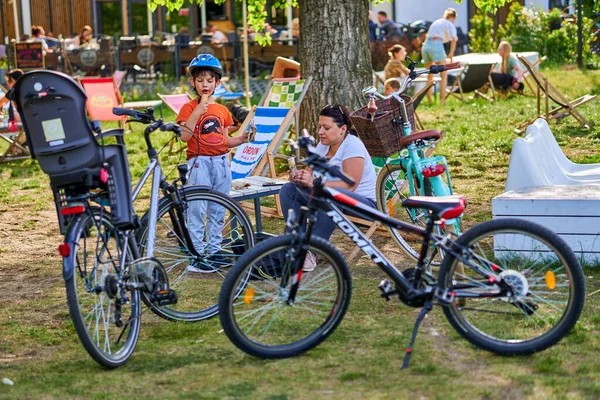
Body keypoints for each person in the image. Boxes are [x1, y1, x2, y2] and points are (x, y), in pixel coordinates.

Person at [280, 105, 377, 271]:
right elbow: (310, 174)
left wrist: (313, 183)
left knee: (329, 194)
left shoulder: (352, 145)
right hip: (335, 198)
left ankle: (311, 251)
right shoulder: (323, 145)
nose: (320, 132)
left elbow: (349, 185)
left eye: (326, 128)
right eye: (319, 127)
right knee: (288, 190)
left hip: (364, 205)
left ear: (343, 129)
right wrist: (300, 178)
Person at [176, 54, 248, 270]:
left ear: (217, 83)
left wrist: (241, 140)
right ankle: (197, 256)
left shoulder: (223, 111)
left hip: (221, 162)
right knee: (197, 208)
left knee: (218, 208)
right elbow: (184, 136)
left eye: (210, 81)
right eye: (200, 80)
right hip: (199, 163)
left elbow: (225, 141)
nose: (205, 84)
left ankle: (213, 252)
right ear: (193, 83)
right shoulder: (189, 108)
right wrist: (198, 111)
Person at [421, 8, 458, 105]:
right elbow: (454, 39)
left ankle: (429, 101)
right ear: (453, 17)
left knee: (430, 75)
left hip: (426, 46)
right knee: (443, 75)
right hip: (436, 45)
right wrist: (451, 53)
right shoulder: (449, 24)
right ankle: (443, 101)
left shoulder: (437, 22)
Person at [0, 69, 25, 155]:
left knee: (11, 116)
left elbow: (0, 103)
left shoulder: (14, 91)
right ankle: (17, 148)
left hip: (26, 122)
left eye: (9, 81)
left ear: (15, 80)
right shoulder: (28, 87)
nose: (7, 83)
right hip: (31, 120)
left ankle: (16, 147)